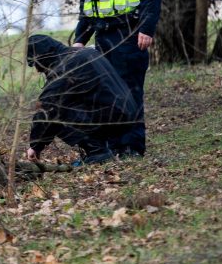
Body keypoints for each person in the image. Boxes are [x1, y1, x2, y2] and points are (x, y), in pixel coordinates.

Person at [72, 0, 161, 156]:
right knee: (106, 92)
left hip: (130, 35)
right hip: (103, 38)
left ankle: (132, 148)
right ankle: (112, 147)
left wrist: (146, 28)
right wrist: (80, 40)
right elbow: (88, 6)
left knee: (129, 90)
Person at [25, 35, 138, 166]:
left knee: (57, 112)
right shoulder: (84, 52)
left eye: (36, 64)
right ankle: (111, 147)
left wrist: (35, 146)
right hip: (127, 113)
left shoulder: (64, 68)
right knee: (65, 102)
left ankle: (97, 152)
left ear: (41, 58)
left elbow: (46, 109)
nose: (38, 70)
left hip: (112, 117)